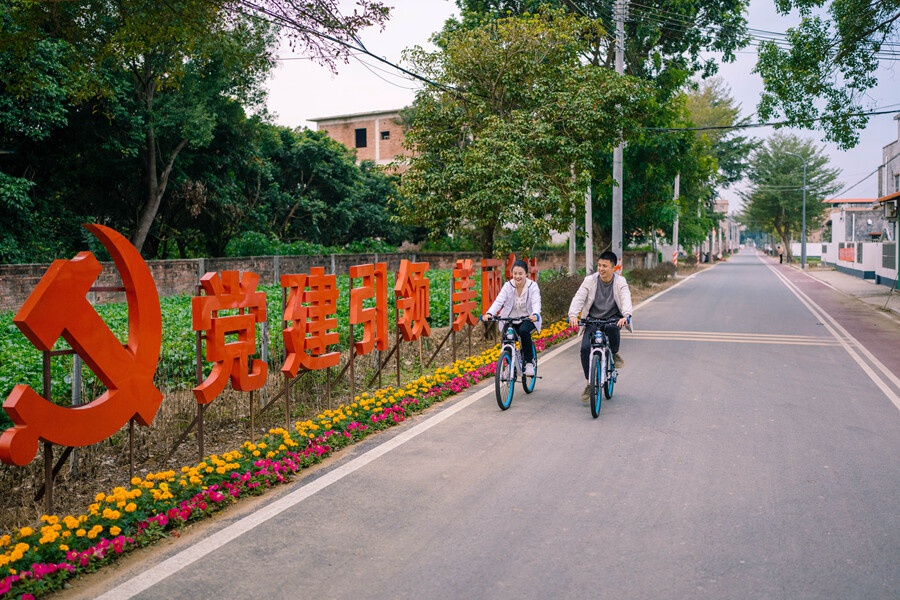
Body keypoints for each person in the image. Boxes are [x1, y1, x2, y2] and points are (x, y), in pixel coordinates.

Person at [567, 250, 633, 402]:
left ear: (614, 268)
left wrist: (626, 315)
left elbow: (625, 297)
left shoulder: (620, 281)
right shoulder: (590, 280)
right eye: (599, 265)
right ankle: (590, 382)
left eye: (605, 266)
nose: (601, 269)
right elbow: (579, 297)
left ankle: (614, 353)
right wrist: (572, 314)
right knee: (584, 349)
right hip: (592, 319)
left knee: (611, 328)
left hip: (613, 318)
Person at [484, 259, 542, 376]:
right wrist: (490, 313)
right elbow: (498, 301)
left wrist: (535, 314)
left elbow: (536, 302)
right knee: (506, 337)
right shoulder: (508, 286)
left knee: (524, 331)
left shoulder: (532, 286)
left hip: (528, 318)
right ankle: (509, 365)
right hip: (510, 319)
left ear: (526, 274)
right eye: (515, 273)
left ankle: (529, 363)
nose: (517, 276)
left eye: (520, 274)